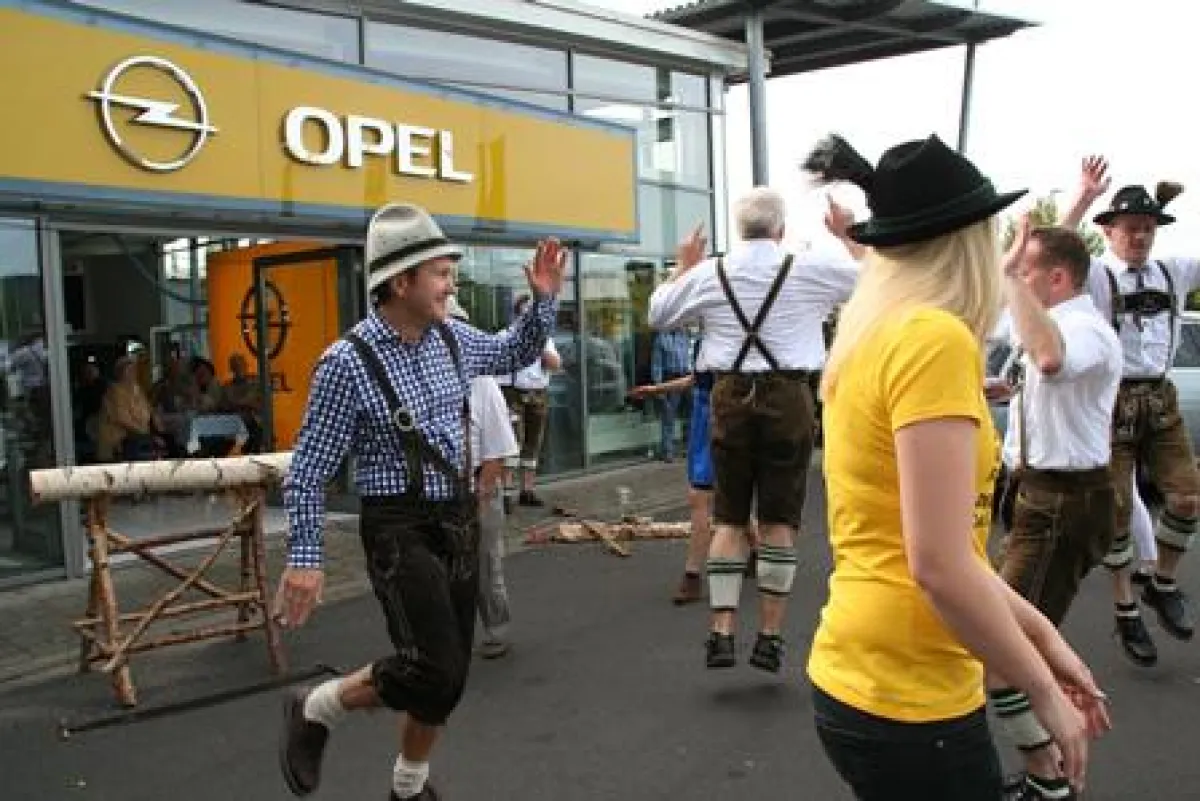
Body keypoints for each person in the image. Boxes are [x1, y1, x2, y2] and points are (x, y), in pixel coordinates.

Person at [803, 132, 1109, 800]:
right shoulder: (932, 339)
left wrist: (1045, 639)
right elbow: (939, 564)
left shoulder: (872, 330)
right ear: (969, 240)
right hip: (911, 689)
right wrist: (1041, 688)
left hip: (859, 670)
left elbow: (947, 554)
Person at [275, 203, 566, 801]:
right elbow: (307, 471)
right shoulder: (346, 363)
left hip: (456, 518)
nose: (451, 285)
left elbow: (515, 351)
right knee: (434, 667)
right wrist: (304, 557)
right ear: (401, 281)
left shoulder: (452, 338)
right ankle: (316, 706)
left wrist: (543, 301)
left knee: (448, 678)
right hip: (397, 529)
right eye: (441, 273)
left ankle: (408, 787)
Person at [648, 186, 858, 673]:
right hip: (789, 395)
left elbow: (658, 314)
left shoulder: (710, 273)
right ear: (780, 229)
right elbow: (875, 284)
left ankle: (721, 630)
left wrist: (682, 265)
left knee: (729, 517)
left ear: (738, 229)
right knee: (779, 520)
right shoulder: (808, 268)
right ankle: (769, 635)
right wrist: (848, 236)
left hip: (729, 395)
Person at [988, 219, 1122, 801]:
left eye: (1026, 271)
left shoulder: (1086, 328)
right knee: (1017, 638)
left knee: (1000, 644)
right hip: (1036, 495)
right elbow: (1033, 364)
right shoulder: (1049, 321)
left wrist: (1013, 278)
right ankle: (1048, 767)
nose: (1014, 278)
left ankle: (1049, 774)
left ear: (1058, 278)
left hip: (1064, 500)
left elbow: (1049, 360)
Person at [1059, 162, 1199, 664]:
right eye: (1130, 228)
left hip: (1160, 398)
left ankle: (1161, 582)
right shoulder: (1097, 276)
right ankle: (1125, 609)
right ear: (1109, 231)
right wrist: (1082, 198)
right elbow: (1052, 245)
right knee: (1116, 510)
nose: (1140, 236)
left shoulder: (1173, 271)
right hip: (1112, 400)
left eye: (1147, 227)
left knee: (1187, 497)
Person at [447, 295, 519, 659]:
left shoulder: (482, 382)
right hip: (439, 489)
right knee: (444, 569)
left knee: (485, 564)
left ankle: (496, 630)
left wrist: (481, 493)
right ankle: (448, 639)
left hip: (478, 483)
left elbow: (497, 448)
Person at [496, 294, 561, 510]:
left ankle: (527, 491)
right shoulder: (504, 336)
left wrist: (539, 347)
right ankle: (506, 493)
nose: (529, 318)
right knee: (511, 442)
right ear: (517, 315)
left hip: (538, 393)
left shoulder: (545, 339)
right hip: (511, 393)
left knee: (533, 442)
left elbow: (555, 365)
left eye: (532, 314)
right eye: (525, 313)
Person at [649, 328, 692, 462]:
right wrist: (658, 387)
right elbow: (656, 364)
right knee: (668, 416)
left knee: (691, 415)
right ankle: (668, 451)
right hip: (670, 378)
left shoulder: (684, 336)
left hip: (687, 378)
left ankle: (689, 448)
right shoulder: (661, 338)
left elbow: (690, 357)